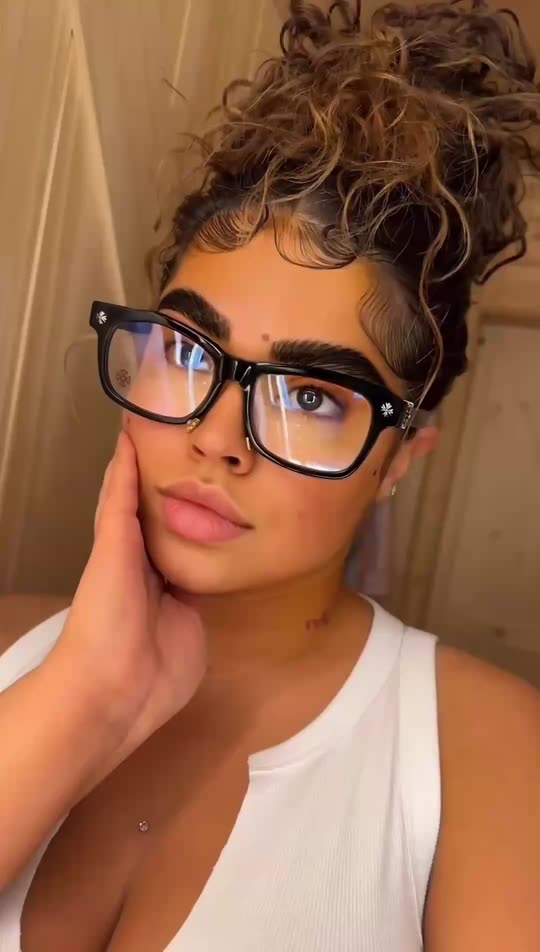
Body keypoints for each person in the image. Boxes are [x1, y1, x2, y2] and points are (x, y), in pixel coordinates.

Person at [1, 1, 539, 949]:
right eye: (188, 352)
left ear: (396, 461)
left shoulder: (488, 755)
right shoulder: (10, 644)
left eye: (310, 397)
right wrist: (86, 694)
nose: (217, 438)